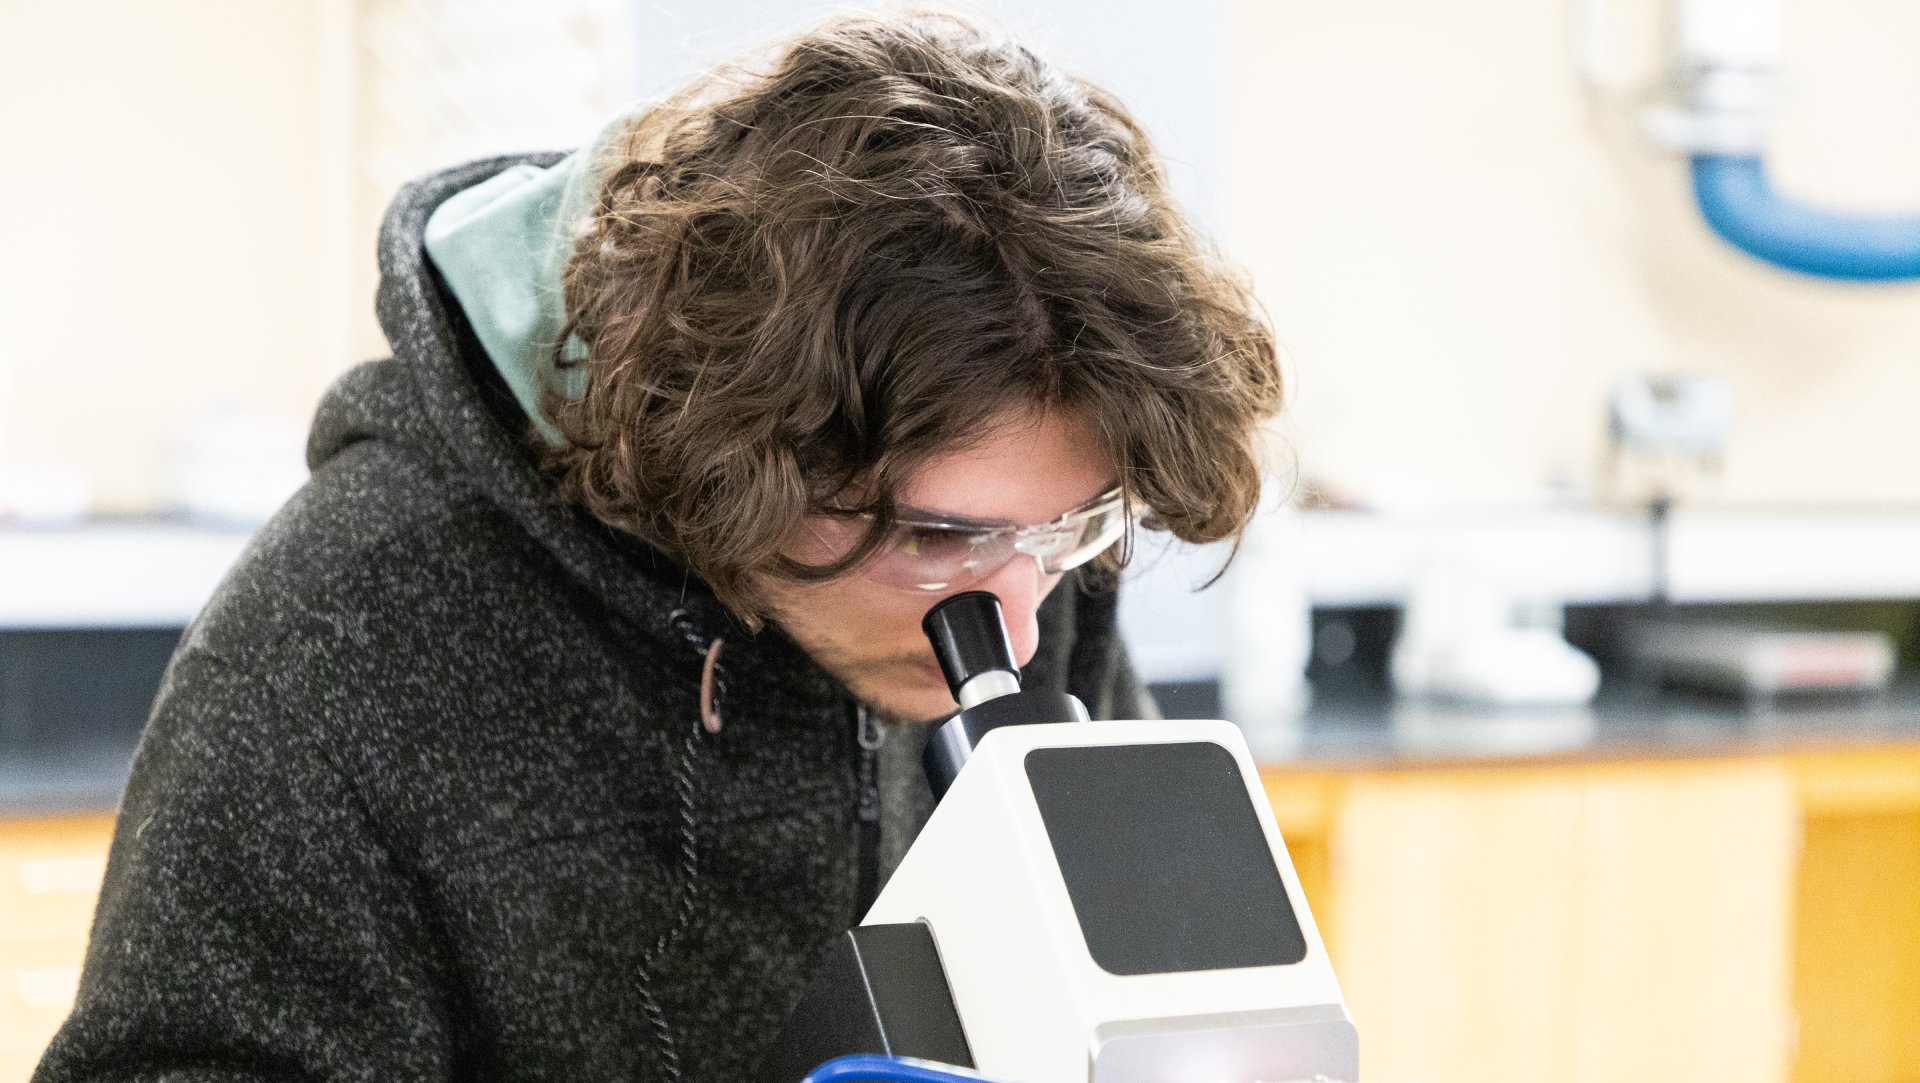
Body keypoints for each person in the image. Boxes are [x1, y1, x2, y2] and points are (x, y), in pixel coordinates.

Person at [36, 10, 1282, 1083]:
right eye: (938, 537)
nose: (1018, 624)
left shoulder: (1036, 564)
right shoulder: (343, 640)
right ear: (736, 445)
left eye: (1068, 527)